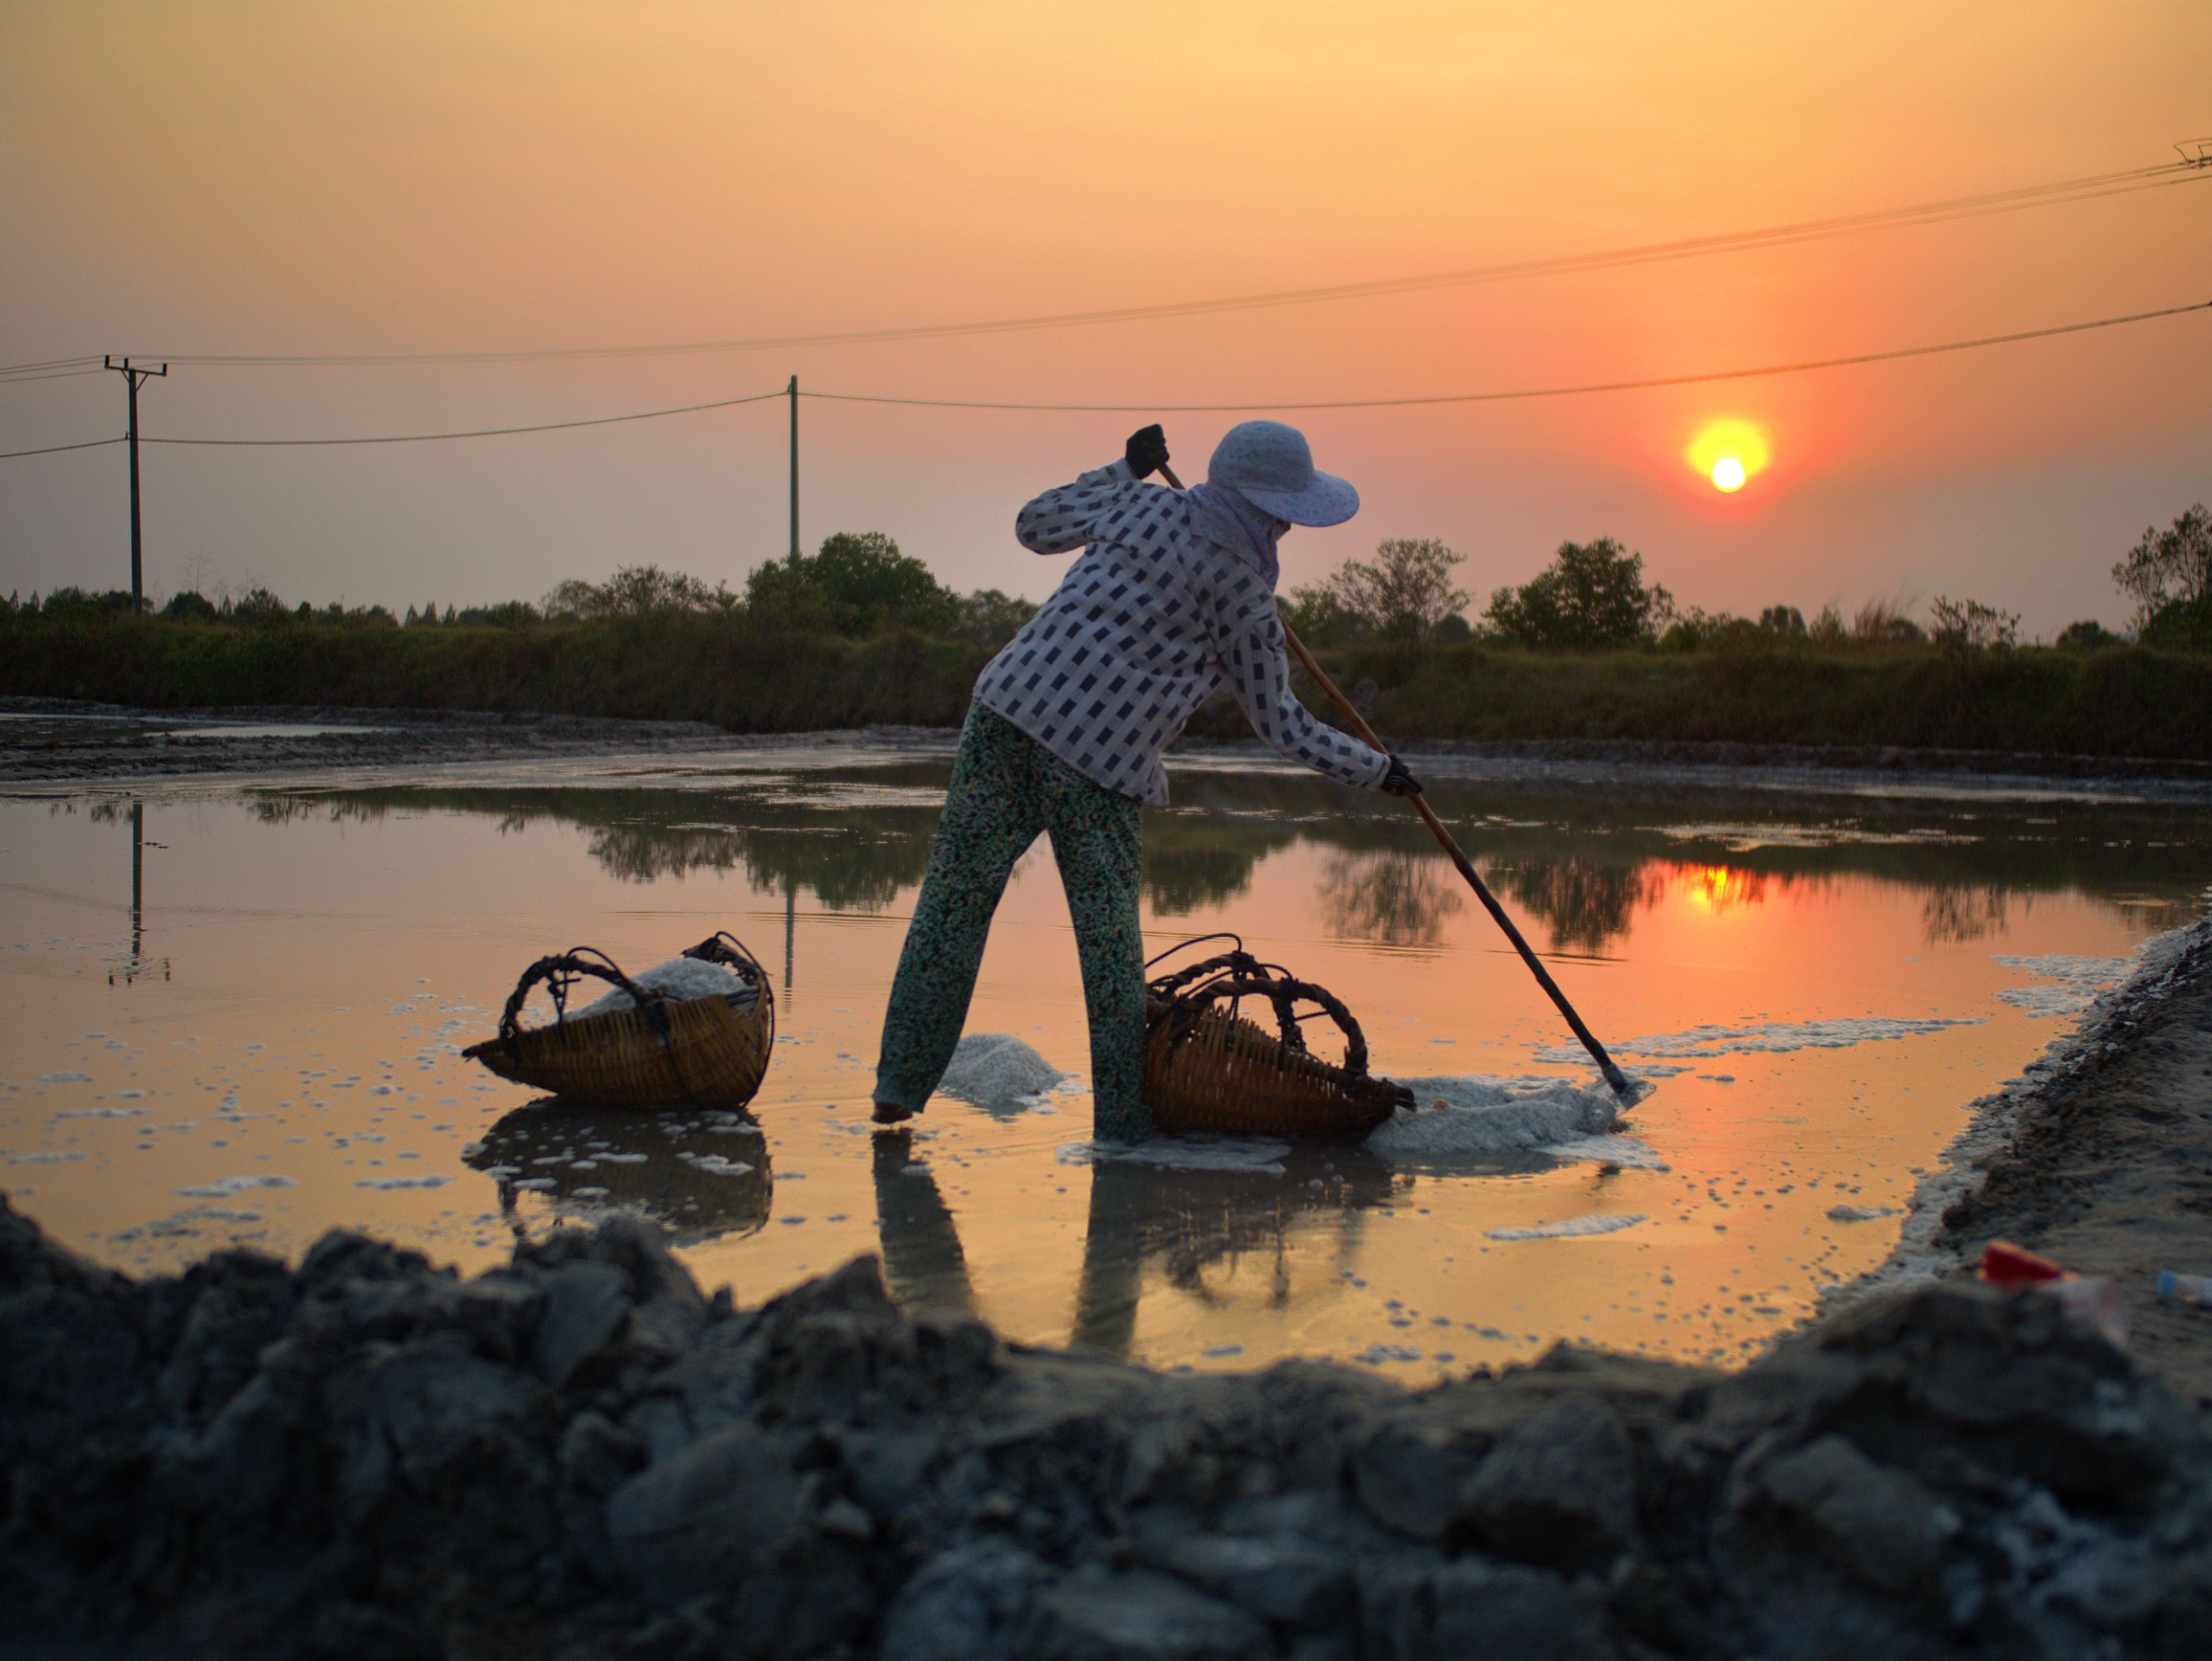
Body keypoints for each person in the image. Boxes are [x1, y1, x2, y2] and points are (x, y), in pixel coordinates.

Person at [869, 419, 1423, 1141]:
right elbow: (1281, 724)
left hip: (1004, 711)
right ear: (1268, 510)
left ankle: (895, 1094)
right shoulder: (1246, 597)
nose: (1287, 529)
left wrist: (1123, 470)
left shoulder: (1142, 505)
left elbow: (1035, 525)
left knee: (950, 908)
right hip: (1094, 764)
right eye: (1285, 514)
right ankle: (1122, 1129)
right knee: (1110, 959)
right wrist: (1378, 770)